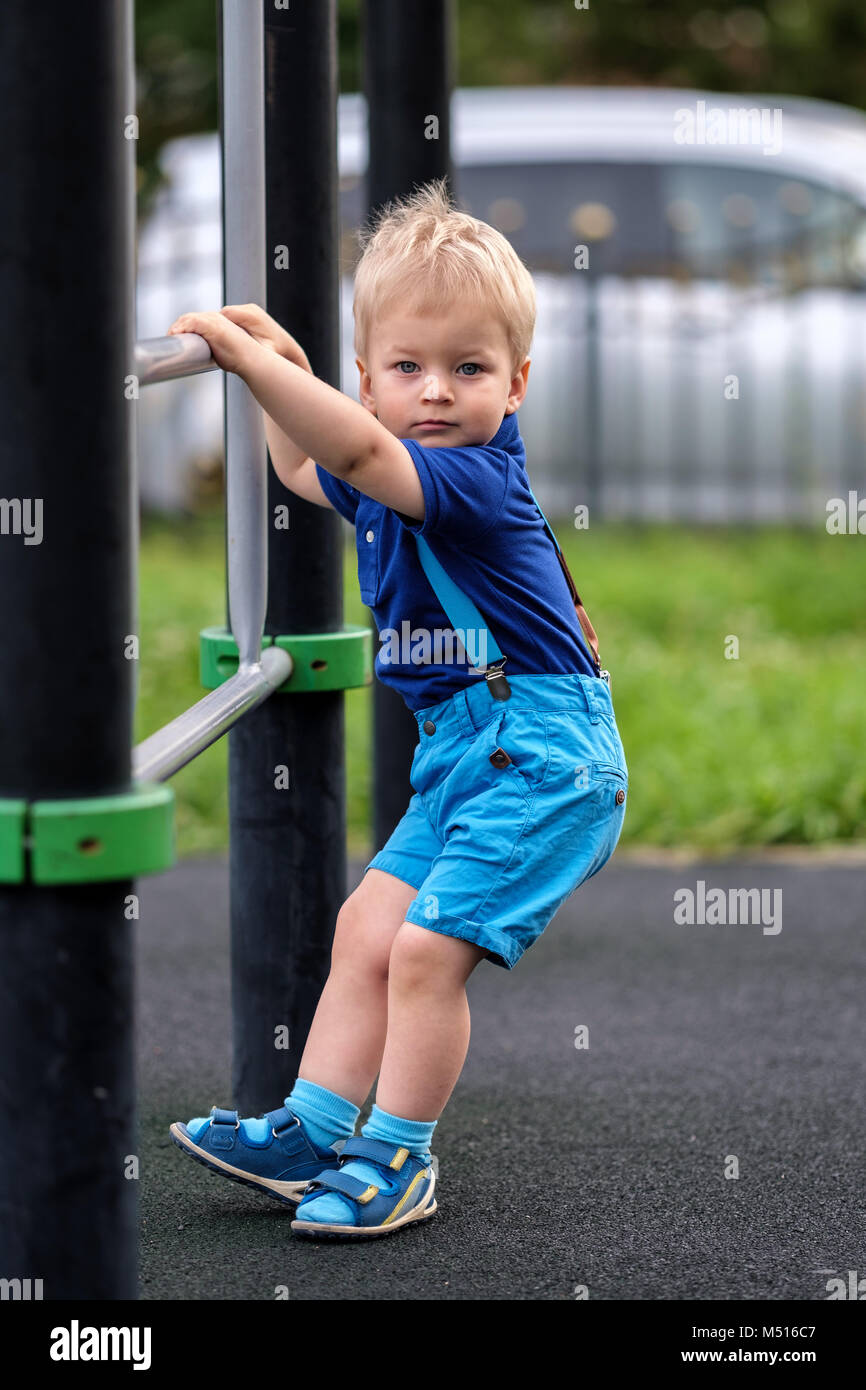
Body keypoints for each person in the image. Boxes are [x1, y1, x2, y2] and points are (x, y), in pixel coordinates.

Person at [167, 179, 628, 1240]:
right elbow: (302, 462)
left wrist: (260, 366)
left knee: (424, 951)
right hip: (464, 754)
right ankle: (312, 1130)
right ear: (367, 377)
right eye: (405, 369)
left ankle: (397, 1156)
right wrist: (278, 370)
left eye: (467, 370)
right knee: (365, 926)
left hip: (543, 754)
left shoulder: (472, 479)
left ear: (513, 385)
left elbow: (359, 452)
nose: (434, 393)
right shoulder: (382, 471)